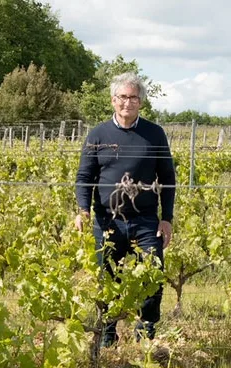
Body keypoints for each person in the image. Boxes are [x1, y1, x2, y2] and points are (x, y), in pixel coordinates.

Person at [75, 72, 176, 347]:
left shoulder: (154, 134)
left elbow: (167, 178)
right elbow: (85, 177)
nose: (127, 103)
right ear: (113, 100)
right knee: (107, 279)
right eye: (122, 97)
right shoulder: (98, 134)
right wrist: (83, 209)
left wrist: (166, 218)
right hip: (107, 220)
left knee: (153, 277)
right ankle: (108, 336)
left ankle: (146, 336)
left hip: (145, 219)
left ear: (140, 102)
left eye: (133, 97)